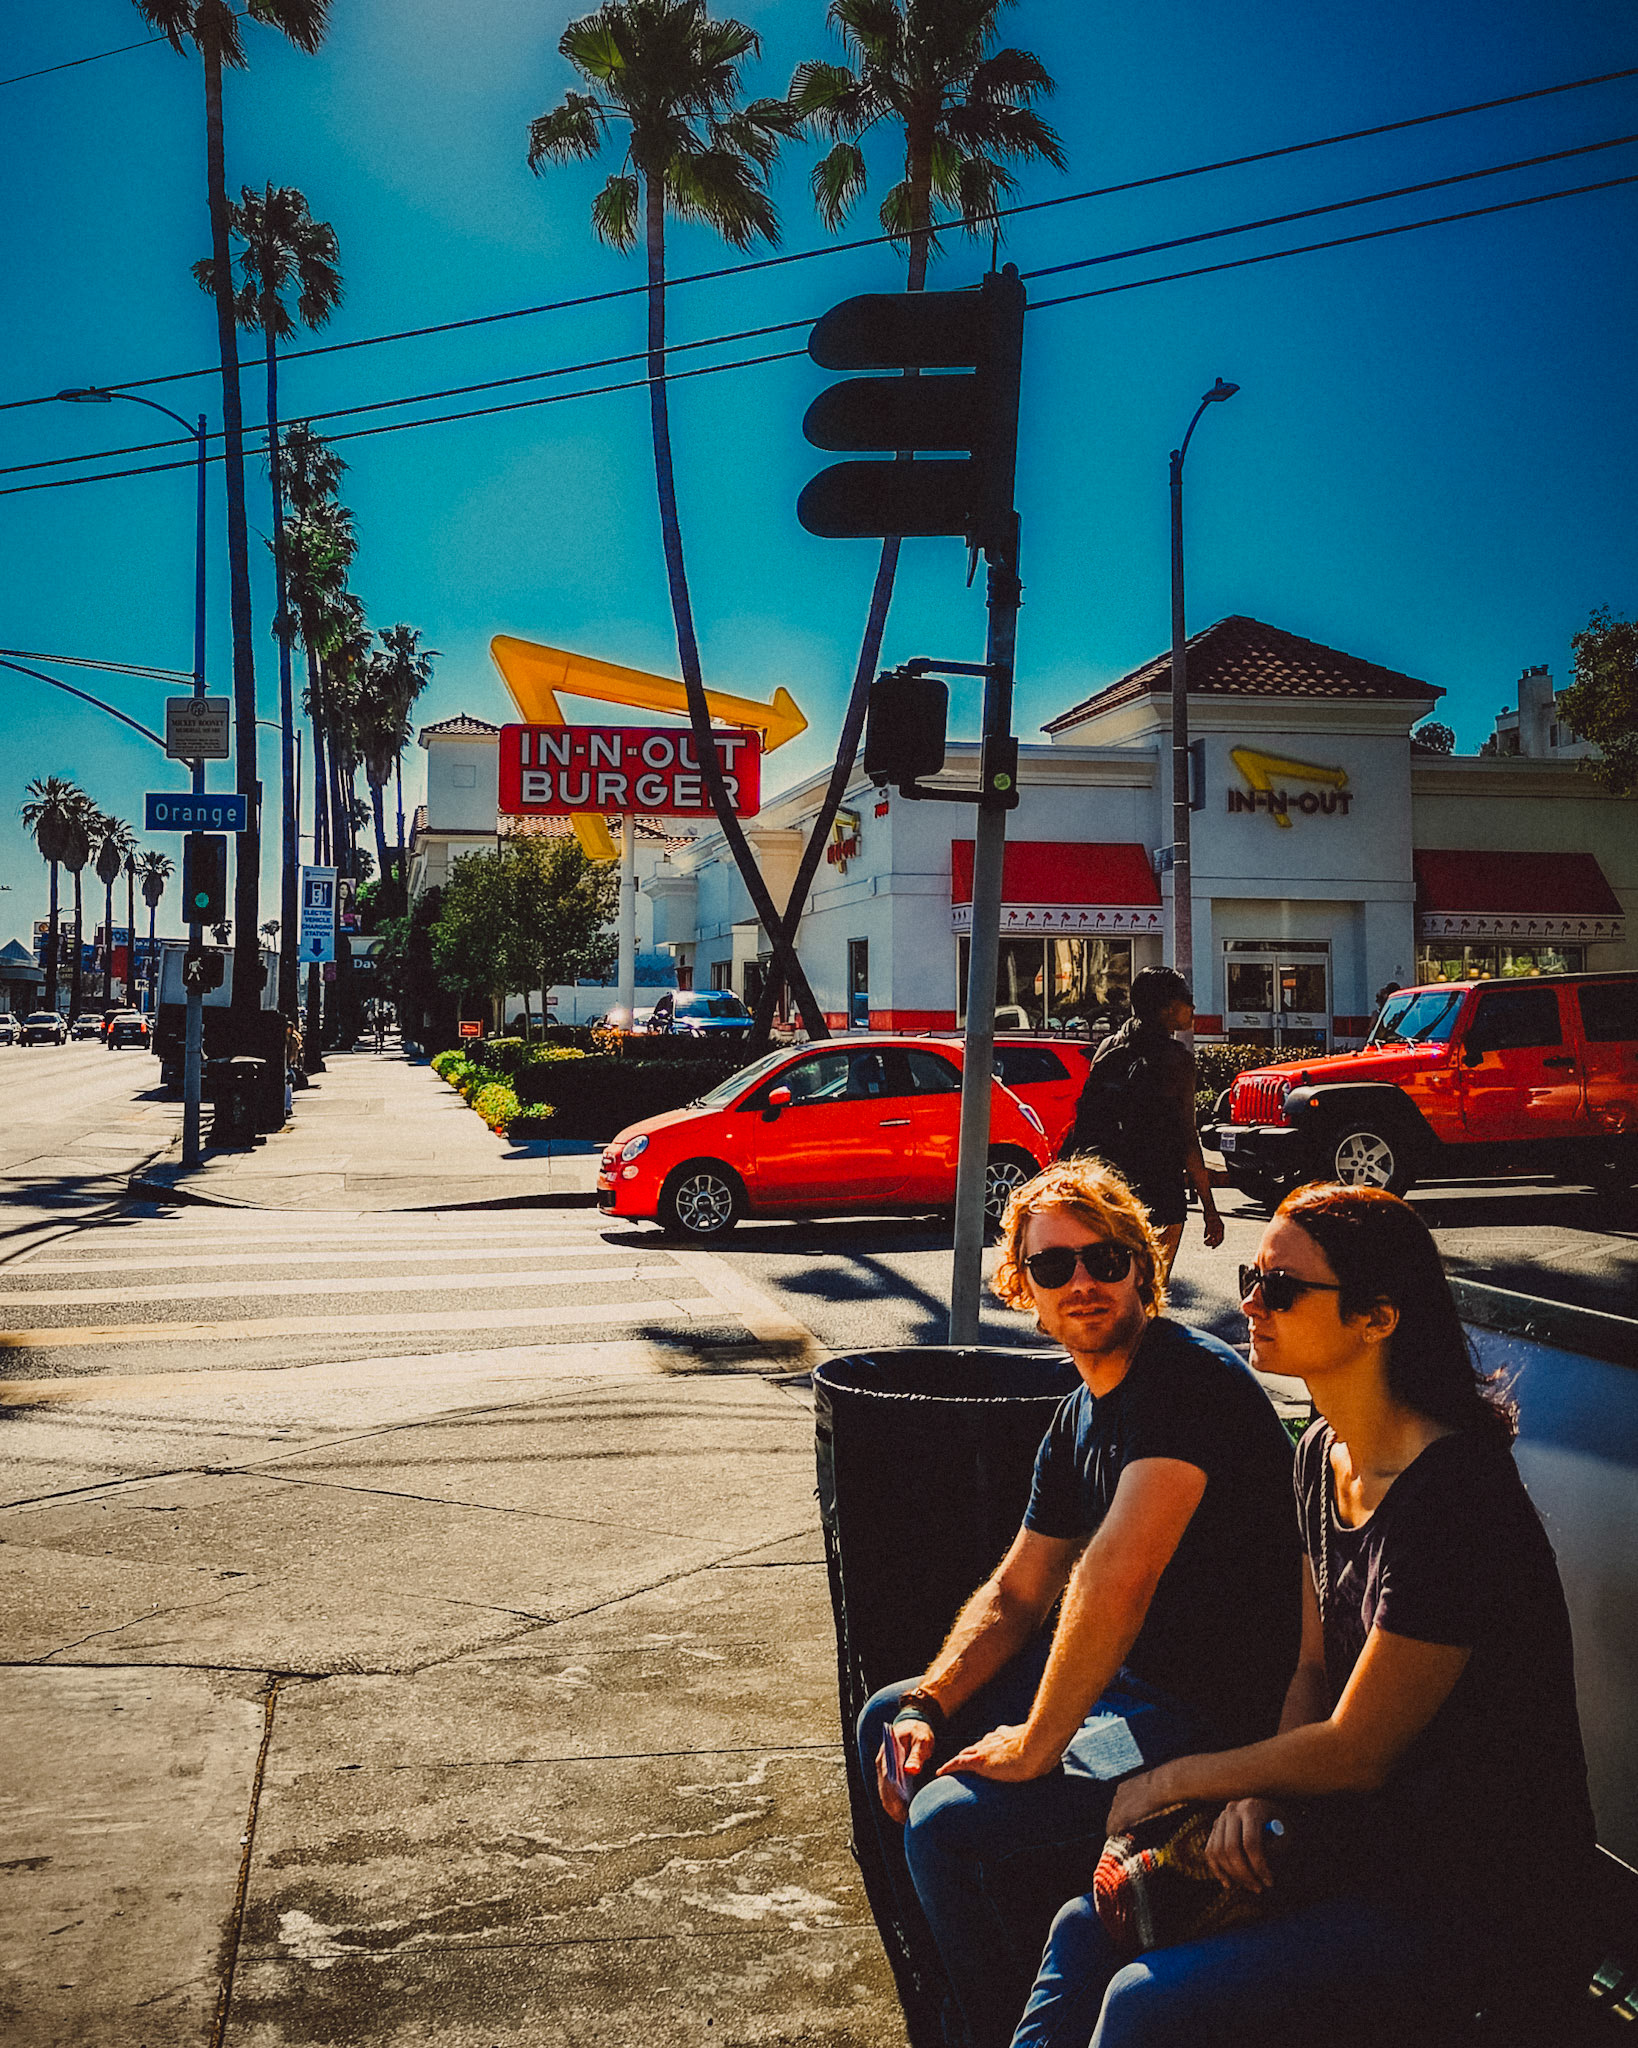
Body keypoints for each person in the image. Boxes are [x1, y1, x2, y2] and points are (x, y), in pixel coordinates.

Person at [1012, 1182, 1597, 2048]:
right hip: (1359, 1841)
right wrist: (1253, 1789)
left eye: (1281, 1288)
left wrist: (1171, 1782)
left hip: (1474, 1893)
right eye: (1251, 1276)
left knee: (1146, 2004)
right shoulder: (1321, 1452)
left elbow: (1360, 1749)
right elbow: (1312, 1670)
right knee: (1085, 1925)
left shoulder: (1457, 1499)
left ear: (1376, 1318)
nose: (1250, 1301)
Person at [858, 1160, 1302, 2048]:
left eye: (1102, 1258)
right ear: (1024, 1287)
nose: (1083, 1283)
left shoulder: (1185, 1385)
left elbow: (1117, 1578)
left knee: (946, 1823)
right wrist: (927, 1702)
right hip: (1133, 1694)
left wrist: (1038, 1743)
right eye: (1053, 1268)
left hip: (1215, 1717)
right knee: (887, 1717)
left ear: (1142, 1265)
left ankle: (987, 2027)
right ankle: (952, 1981)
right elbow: (1019, 1592)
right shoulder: (1079, 1415)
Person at [1063, 966, 1222, 1281]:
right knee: (1150, 1291)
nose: (1193, 1008)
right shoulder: (1177, 1060)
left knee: (1115, 1287)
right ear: (1168, 1009)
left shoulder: (1109, 1046)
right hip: (1160, 1189)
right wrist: (1210, 1208)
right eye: (1187, 999)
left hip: (1109, 1186)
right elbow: (1187, 1136)